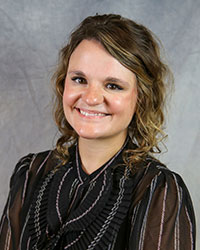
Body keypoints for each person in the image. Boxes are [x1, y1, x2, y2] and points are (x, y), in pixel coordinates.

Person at [0, 14, 196, 250]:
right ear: (64, 84)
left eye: (113, 85)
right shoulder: (31, 172)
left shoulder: (157, 191)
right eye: (79, 79)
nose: (91, 98)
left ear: (141, 98)